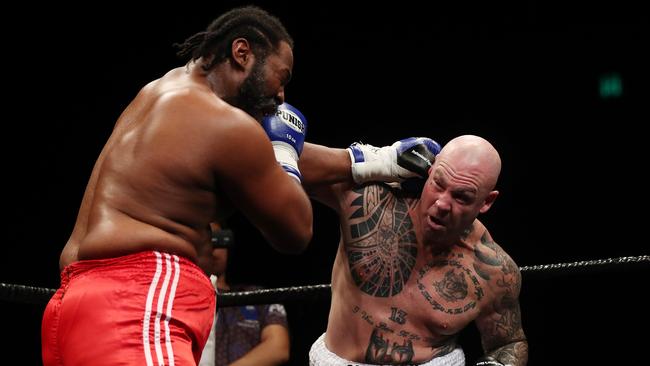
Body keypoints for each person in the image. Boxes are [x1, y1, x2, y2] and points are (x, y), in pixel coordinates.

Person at [41, 6, 313, 366]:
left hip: (73, 306)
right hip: (138, 303)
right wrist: (284, 150)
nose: (281, 96)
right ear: (242, 53)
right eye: (282, 77)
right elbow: (295, 230)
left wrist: (371, 160)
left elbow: (261, 160)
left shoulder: (159, 95)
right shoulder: (225, 125)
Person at [298, 134, 528, 365]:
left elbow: (508, 343)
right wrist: (375, 159)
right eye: (438, 184)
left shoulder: (495, 272)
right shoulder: (373, 204)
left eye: (461, 197)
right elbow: (278, 162)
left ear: (487, 201)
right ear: (430, 172)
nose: (441, 204)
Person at [199, 222, 290, 366]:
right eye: (207, 240)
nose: (213, 247)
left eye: (219, 239)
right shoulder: (179, 296)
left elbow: (278, 347)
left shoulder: (258, 295)